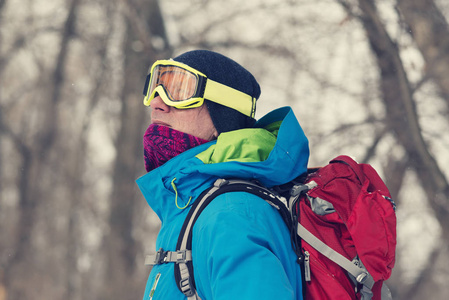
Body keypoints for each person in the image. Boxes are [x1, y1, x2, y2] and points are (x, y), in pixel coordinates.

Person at [136, 49, 309, 300]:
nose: (157, 102)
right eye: (155, 86)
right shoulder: (191, 207)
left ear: (222, 116)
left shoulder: (230, 215)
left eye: (179, 89)